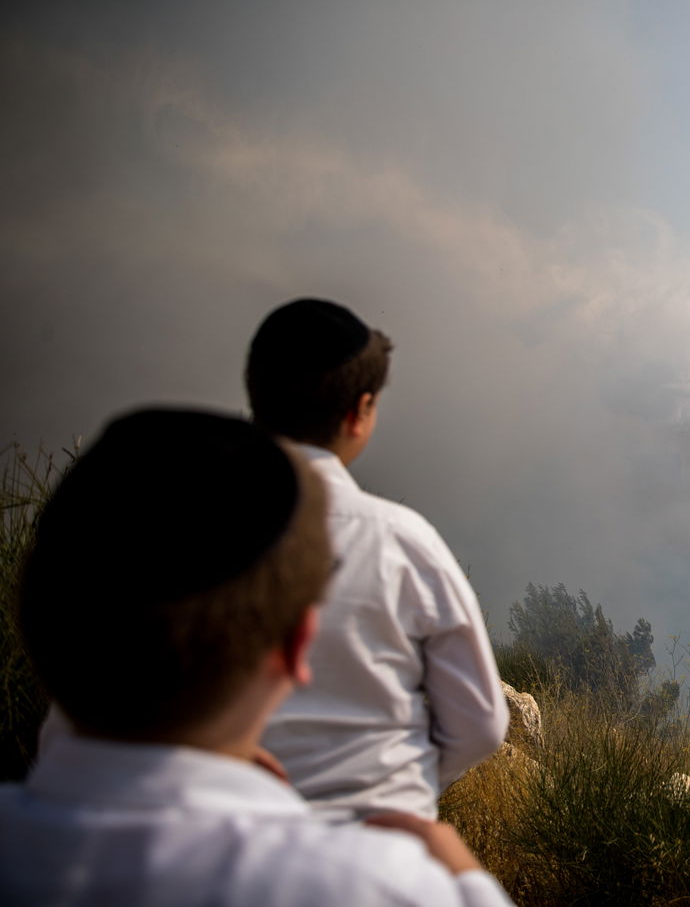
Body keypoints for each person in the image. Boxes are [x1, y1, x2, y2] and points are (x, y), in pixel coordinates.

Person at [0, 409, 514, 906]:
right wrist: (465, 880)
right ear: (296, 645)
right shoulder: (374, 886)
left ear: (33, 619)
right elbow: (483, 725)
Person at [245, 298, 508, 820]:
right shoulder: (402, 541)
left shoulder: (164, 524)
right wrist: (400, 790)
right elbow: (481, 726)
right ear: (358, 412)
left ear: (256, 396)